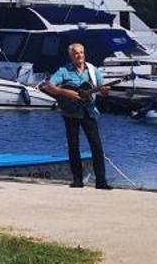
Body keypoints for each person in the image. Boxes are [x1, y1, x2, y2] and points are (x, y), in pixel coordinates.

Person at [44, 41, 110, 190]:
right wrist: (65, 92)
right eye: (76, 53)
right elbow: (49, 85)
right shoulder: (64, 71)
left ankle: (101, 181)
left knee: (97, 146)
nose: (79, 56)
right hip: (71, 112)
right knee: (73, 146)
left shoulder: (93, 70)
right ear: (71, 55)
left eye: (81, 53)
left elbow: (102, 88)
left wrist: (105, 90)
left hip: (89, 111)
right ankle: (77, 180)